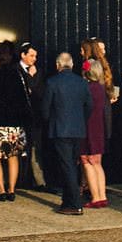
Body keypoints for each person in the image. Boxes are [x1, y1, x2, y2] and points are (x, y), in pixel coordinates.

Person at [39, 51, 92, 215]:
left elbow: (45, 109)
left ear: (57, 65)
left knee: (66, 166)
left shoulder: (52, 82)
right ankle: (68, 201)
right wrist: (81, 120)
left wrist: (49, 121)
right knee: (72, 165)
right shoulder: (82, 83)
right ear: (72, 65)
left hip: (60, 129)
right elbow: (89, 106)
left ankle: (75, 203)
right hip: (78, 129)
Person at [0, 42, 30, 202]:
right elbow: (24, 99)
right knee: (13, 157)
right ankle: (11, 190)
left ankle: (1, 190)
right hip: (15, 123)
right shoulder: (17, 74)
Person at [80, 56, 113, 207]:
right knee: (98, 163)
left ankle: (95, 197)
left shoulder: (86, 89)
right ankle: (102, 195)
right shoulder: (101, 89)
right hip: (99, 128)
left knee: (87, 161)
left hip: (87, 128)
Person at [17, 41, 46, 190]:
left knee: (35, 148)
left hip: (35, 116)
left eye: (35, 56)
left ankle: (38, 180)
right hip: (21, 116)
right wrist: (31, 78)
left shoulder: (38, 71)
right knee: (20, 149)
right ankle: (20, 179)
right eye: (31, 55)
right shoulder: (16, 70)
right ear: (23, 55)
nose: (34, 58)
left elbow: (38, 93)